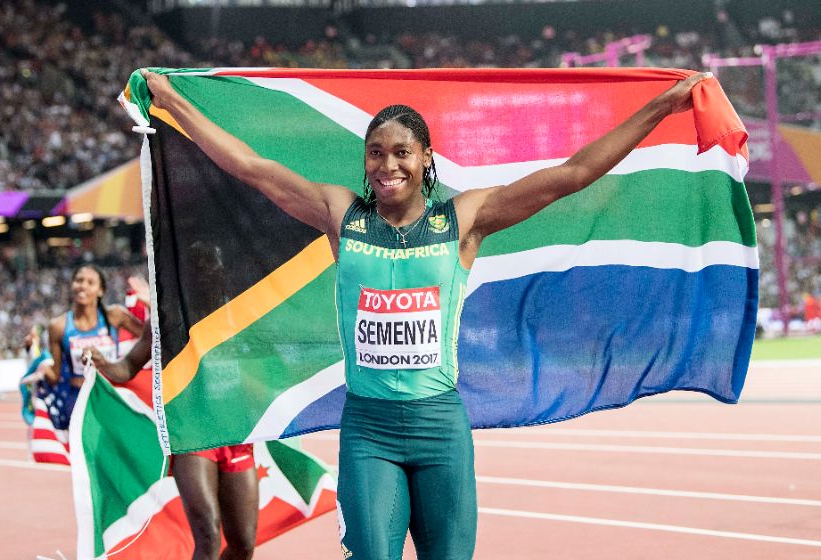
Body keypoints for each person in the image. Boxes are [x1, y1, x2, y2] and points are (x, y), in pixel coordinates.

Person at [141, 68, 710, 560]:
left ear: (425, 158)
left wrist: (660, 107)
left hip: (440, 429)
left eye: (401, 152)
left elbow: (573, 175)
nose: (387, 164)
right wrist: (172, 102)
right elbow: (249, 165)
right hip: (368, 430)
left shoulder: (463, 220)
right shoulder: (341, 215)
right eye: (376, 152)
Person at [88, 278, 259, 560]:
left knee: (243, 544)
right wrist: (102, 363)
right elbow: (129, 366)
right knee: (208, 534)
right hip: (192, 433)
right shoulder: (166, 313)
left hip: (235, 432)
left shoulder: (241, 304)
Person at [39, 264, 143, 431]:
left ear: (101, 290)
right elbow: (54, 377)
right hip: (78, 399)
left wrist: (149, 303)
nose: (83, 286)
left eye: (90, 282)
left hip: (113, 395)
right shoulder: (58, 326)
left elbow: (151, 338)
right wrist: (39, 362)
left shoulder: (115, 316)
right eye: (79, 280)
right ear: (72, 285)